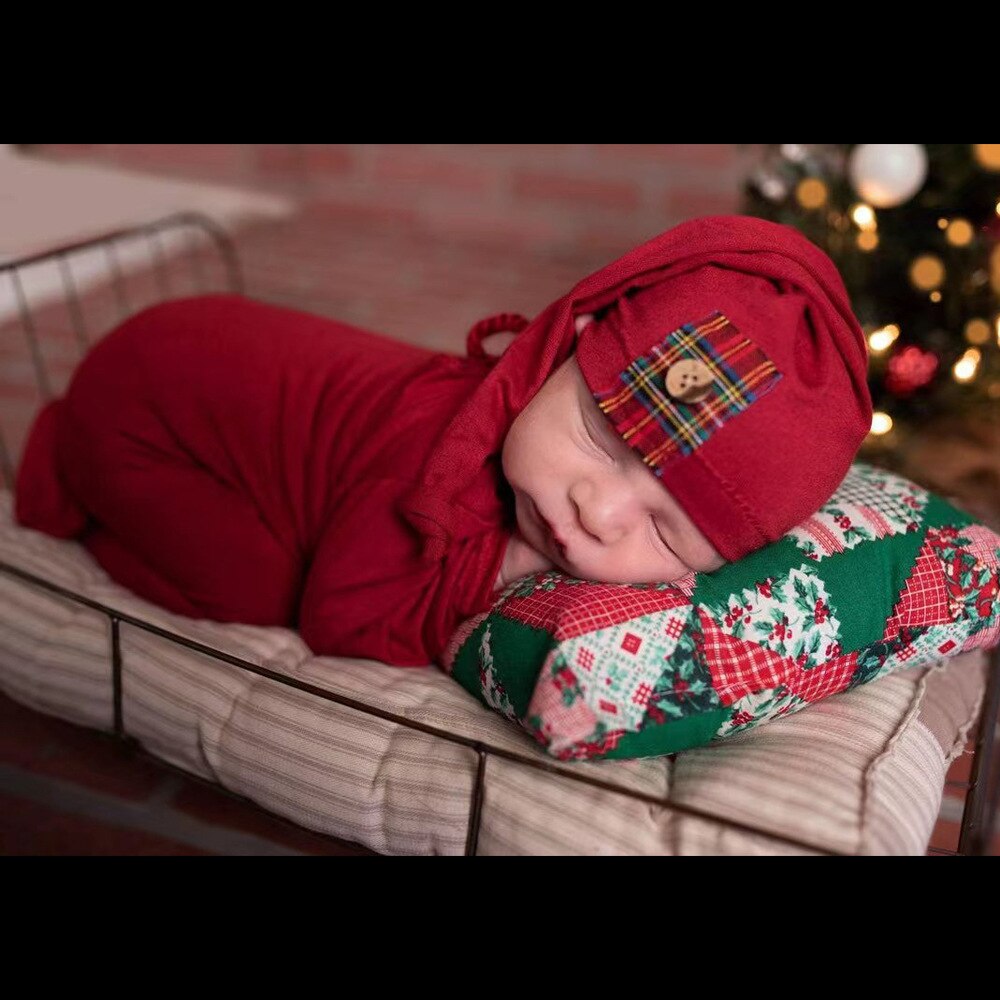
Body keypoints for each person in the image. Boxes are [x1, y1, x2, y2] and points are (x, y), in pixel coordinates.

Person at [13, 215, 873, 667]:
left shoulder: (562, 472)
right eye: (598, 440)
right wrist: (497, 571)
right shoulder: (434, 464)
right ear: (559, 345)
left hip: (190, 361)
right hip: (145, 414)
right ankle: (83, 495)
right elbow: (342, 617)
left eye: (666, 530)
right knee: (267, 584)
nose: (597, 509)